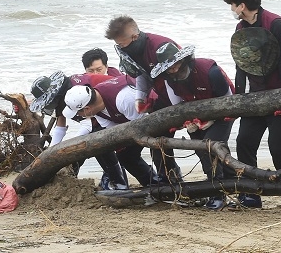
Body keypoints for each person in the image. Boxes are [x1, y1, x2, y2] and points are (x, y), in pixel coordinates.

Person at [221, 0, 281, 209]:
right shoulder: (240, 27)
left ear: (241, 5)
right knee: (244, 142)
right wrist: (240, 98)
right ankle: (251, 195)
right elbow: (240, 65)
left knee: (278, 148)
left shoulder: (276, 24)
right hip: (254, 97)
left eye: (232, 5)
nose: (232, 9)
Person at [150, 42, 236, 211]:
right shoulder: (169, 81)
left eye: (176, 65)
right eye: (169, 68)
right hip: (194, 116)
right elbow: (179, 107)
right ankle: (221, 186)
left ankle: (222, 191)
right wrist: (190, 122)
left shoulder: (211, 72)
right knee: (200, 149)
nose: (174, 70)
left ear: (185, 60)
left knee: (212, 146)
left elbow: (229, 101)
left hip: (223, 113)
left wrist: (211, 120)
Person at [105, 15, 182, 183]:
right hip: (163, 96)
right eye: (118, 45)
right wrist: (140, 98)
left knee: (202, 142)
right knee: (155, 139)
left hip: (184, 94)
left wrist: (178, 111)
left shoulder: (160, 47)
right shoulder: (134, 50)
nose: (121, 48)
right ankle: (169, 179)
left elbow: (174, 78)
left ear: (134, 37)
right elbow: (142, 73)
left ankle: (219, 186)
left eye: (122, 45)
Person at [30, 71, 129, 190]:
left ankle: (119, 183)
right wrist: (50, 152)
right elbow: (60, 126)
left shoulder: (73, 93)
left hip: (119, 100)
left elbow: (88, 125)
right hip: (100, 113)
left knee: (100, 143)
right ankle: (109, 179)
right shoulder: (60, 95)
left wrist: (69, 146)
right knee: (93, 141)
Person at [62, 77, 158, 187]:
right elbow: (113, 130)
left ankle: (167, 181)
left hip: (157, 115)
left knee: (157, 151)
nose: (78, 116)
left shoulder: (123, 99)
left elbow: (145, 125)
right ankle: (152, 184)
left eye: (78, 113)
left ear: (87, 109)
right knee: (125, 156)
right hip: (136, 122)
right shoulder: (96, 109)